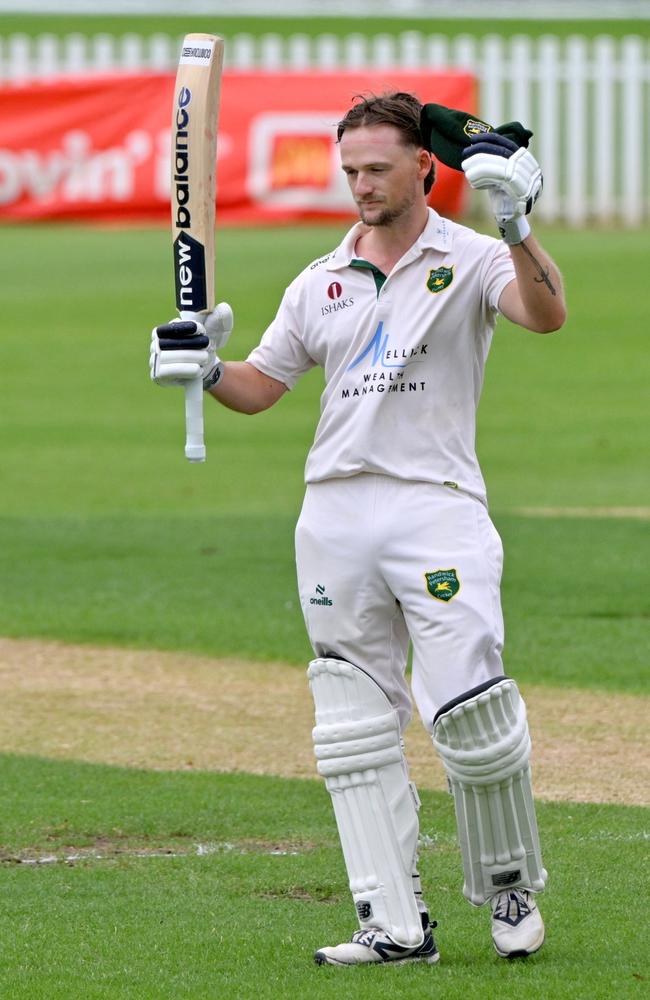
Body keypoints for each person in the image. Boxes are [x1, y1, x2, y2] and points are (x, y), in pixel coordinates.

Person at [149, 91, 566, 968]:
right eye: (350, 171)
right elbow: (261, 386)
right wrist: (202, 364)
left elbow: (546, 312)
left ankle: (507, 884)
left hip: (436, 502)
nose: (361, 186)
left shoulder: (476, 256)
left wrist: (517, 222)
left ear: (424, 167)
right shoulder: (321, 279)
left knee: (470, 709)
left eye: (378, 169)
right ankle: (393, 921)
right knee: (352, 721)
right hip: (334, 510)